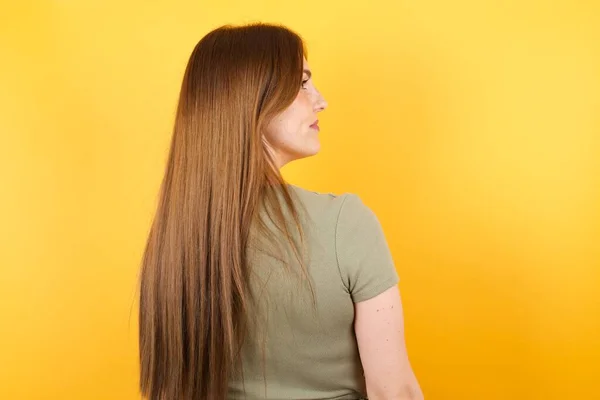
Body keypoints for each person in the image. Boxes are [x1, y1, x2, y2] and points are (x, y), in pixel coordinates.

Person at [138, 22, 423, 400]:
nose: (321, 100)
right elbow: (394, 392)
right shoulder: (345, 224)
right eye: (303, 83)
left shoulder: (174, 239)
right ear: (253, 99)